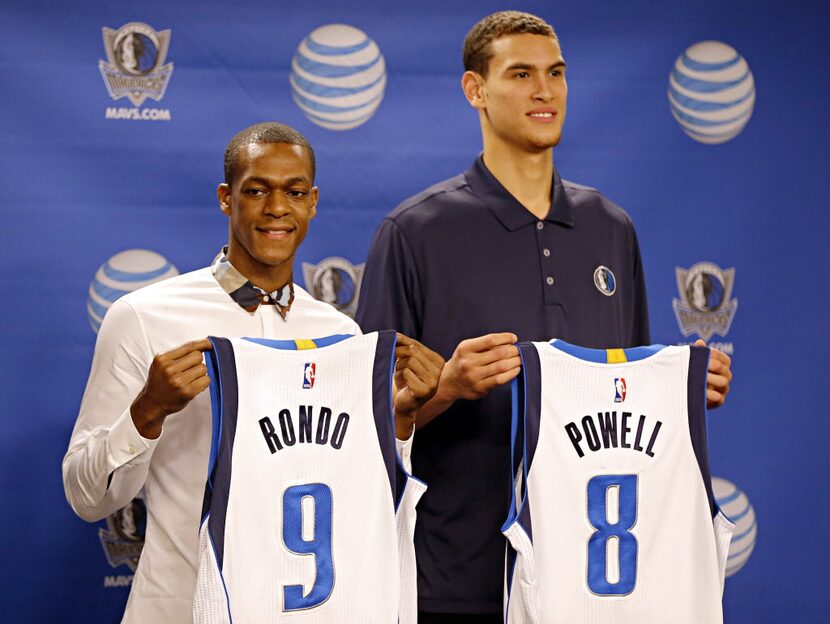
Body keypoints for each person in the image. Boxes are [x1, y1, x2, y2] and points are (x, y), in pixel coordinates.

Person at [355, 11, 733, 622]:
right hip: (459, 578)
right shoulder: (415, 231)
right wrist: (448, 388)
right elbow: (364, 430)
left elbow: (627, 400)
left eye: (556, 73)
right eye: (521, 74)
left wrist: (683, 392)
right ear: (475, 90)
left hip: (594, 583)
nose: (544, 91)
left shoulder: (611, 228)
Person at [63, 122, 443, 623]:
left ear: (313, 201)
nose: (277, 208)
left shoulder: (340, 333)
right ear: (226, 198)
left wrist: (399, 422)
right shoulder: (143, 316)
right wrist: (147, 410)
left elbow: (354, 497)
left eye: (294, 191)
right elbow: (87, 497)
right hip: (176, 608)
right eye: (257, 190)